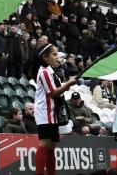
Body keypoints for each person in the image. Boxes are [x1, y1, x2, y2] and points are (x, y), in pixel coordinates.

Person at [33, 43, 78, 175]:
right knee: (45, 144)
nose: (56, 57)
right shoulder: (45, 72)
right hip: (44, 113)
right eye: (54, 54)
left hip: (52, 113)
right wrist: (68, 84)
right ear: (44, 57)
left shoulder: (51, 71)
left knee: (52, 146)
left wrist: (67, 84)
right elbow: (53, 93)